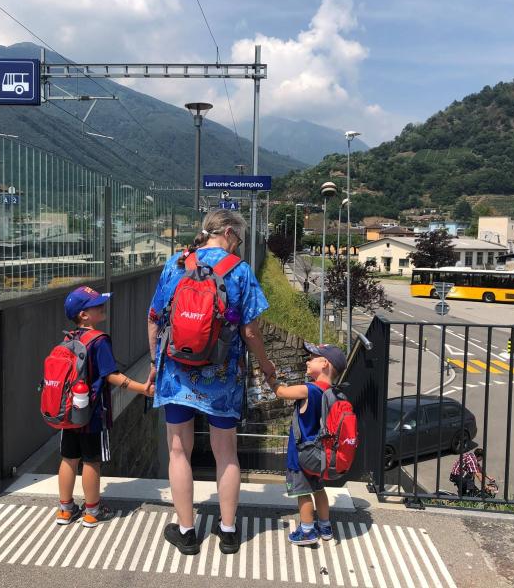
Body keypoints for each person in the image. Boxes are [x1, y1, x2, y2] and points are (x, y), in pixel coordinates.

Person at [147, 210, 276, 556]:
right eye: (240, 238)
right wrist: (266, 366)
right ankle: (229, 532)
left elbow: (155, 318)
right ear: (229, 232)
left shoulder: (176, 263)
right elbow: (250, 331)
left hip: (176, 373)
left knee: (178, 451)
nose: (240, 245)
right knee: (226, 452)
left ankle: (186, 532)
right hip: (223, 375)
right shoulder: (240, 271)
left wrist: (154, 363)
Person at [56, 286, 154, 526]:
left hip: (68, 411)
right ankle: (92, 511)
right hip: (92, 414)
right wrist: (142, 388)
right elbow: (112, 376)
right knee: (91, 461)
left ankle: (65, 510)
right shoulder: (99, 341)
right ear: (83, 315)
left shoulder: (68, 339)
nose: (102, 307)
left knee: (69, 458)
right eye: (96, 305)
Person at [269, 342, 347, 545]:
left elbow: (281, 392)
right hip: (321, 455)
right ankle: (325, 526)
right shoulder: (334, 393)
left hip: (301, 455)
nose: (307, 361)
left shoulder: (309, 390)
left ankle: (307, 531)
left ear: (324, 363)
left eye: (312, 358)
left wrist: (270, 377)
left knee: (303, 493)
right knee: (318, 489)